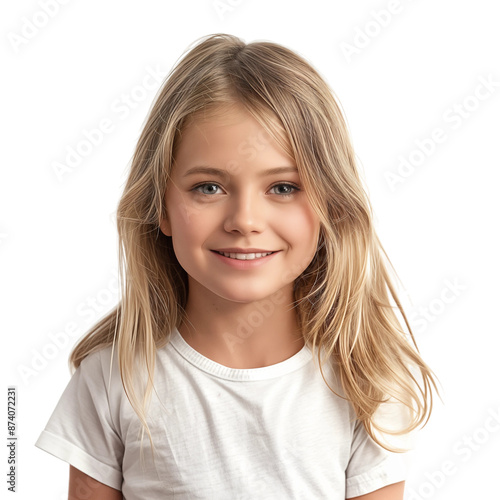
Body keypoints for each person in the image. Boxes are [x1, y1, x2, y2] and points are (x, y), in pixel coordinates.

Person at [35, 33, 439, 500]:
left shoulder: (365, 383)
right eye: (208, 187)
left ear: (330, 203)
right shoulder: (113, 377)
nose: (245, 221)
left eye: (284, 188)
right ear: (161, 207)